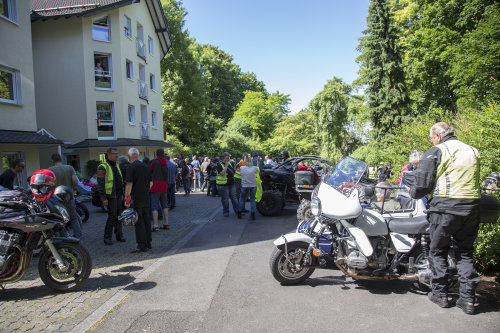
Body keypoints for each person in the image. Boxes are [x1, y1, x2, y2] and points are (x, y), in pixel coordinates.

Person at [407, 122, 481, 314]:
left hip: (446, 208)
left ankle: (440, 293)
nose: (431, 141)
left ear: (438, 136)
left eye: (431, 137)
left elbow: (421, 186)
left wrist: (412, 191)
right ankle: (468, 299)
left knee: (438, 250)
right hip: (472, 207)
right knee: (465, 253)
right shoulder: (472, 150)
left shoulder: (437, 151)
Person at [124, 148, 152, 252]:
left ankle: (142, 245)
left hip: (136, 198)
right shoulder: (145, 166)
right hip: (146, 197)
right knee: (146, 220)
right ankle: (148, 242)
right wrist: (145, 191)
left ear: (129, 156)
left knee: (139, 221)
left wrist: (127, 199)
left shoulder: (131, 167)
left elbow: (129, 184)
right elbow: (151, 183)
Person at [97, 147, 126, 245]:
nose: (117, 155)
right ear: (108, 155)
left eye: (117, 153)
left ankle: (119, 235)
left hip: (117, 195)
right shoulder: (102, 167)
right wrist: (103, 198)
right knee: (112, 217)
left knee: (119, 216)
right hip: (110, 196)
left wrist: (122, 194)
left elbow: (119, 180)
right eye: (114, 154)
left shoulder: (117, 165)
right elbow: (100, 185)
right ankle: (107, 237)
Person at [48, 153, 81, 239]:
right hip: (69, 195)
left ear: (52, 161)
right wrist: (73, 188)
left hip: (57, 197)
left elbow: (51, 183)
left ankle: (65, 237)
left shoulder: (50, 170)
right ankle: (78, 235)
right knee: (73, 218)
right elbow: (75, 180)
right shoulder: (69, 168)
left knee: (60, 219)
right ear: (61, 159)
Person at [149, 149, 169, 231]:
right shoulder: (166, 162)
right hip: (164, 185)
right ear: (163, 154)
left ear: (156, 154)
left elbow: (149, 172)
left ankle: (155, 225)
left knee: (154, 206)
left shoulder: (153, 162)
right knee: (165, 205)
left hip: (155, 186)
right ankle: (166, 223)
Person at [216, 152, 240, 217]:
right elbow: (222, 173)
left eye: (229, 158)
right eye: (226, 158)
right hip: (223, 185)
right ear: (223, 158)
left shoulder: (230, 163)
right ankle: (226, 212)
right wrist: (226, 166)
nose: (228, 159)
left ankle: (238, 211)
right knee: (225, 199)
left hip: (232, 183)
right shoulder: (218, 164)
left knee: (234, 198)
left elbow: (233, 171)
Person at [238, 154, 259, 220]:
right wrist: (258, 162)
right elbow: (257, 171)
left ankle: (239, 213)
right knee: (252, 200)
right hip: (253, 185)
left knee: (242, 199)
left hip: (244, 185)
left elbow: (241, 172)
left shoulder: (242, 168)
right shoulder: (254, 168)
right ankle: (252, 214)